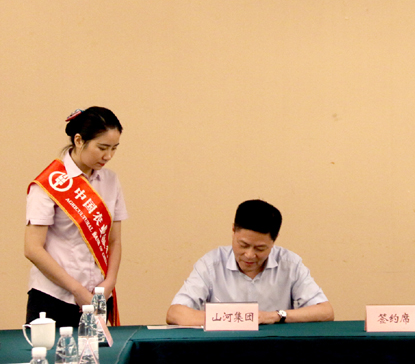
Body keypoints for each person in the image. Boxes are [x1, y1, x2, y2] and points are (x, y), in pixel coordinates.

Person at [25, 107, 126, 327]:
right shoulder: (49, 183)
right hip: (54, 298)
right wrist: (77, 290)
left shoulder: (110, 181)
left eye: (114, 148)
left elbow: (114, 240)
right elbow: (32, 249)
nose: (108, 156)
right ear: (79, 140)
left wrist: (109, 283)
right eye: (102, 148)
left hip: (97, 297)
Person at [167, 199, 334, 325]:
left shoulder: (290, 264)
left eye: (260, 248)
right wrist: (239, 319)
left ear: (274, 240)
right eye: (243, 245)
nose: (249, 255)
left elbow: (325, 311)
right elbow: (175, 313)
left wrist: (275, 316)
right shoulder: (211, 264)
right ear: (233, 231)